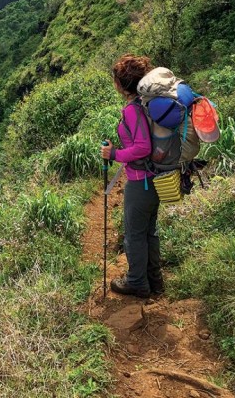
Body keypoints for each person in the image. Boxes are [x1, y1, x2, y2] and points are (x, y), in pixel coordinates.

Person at [100, 54, 164, 298]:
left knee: (135, 235)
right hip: (153, 179)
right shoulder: (144, 103)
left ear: (120, 84)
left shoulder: (132, 110)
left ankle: (137, 282)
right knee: (148, 232)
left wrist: (113, 153)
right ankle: (154, 282)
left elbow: (143, 147)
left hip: (140, 182)